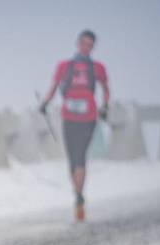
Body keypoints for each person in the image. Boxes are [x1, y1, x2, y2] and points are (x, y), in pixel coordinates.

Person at [39, 29, 110, 222]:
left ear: (93, 47)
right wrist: (45, 103)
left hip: (89, 118)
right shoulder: (64, 66)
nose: (86, 47)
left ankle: (79, 197)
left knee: (80, 156)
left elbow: (106, 89)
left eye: (90, 44)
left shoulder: (98, 68)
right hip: (68, 117)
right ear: (78, 43)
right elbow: (53, 87)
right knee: (72, 159)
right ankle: (78, 193)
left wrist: (104, 107)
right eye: (83, 43)